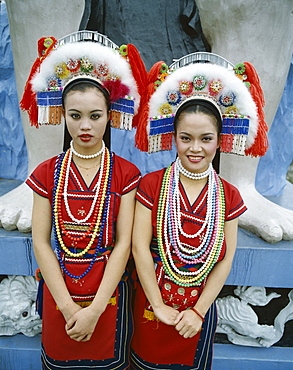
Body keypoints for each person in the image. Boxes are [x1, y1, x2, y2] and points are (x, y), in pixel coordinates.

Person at [130, 60, 254, 368]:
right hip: (150, 304)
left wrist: (199, 311)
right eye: (186, 138)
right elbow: (138, 247)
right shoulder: (152, 185)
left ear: (219, 139)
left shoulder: (228, 195)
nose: (195, 148)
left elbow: (226, 258)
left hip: (199, 308)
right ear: (173, 137)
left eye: (206, 138)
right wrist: (157, 305)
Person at [25, 39, 141, 369]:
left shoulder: (126, 174)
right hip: (59, 290)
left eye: (95, 115)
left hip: (108, 292)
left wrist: (95, 309)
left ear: (110, 115)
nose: (85, 126)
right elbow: (40, 241)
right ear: (62, 114)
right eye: (75, 116)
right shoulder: (47, 173)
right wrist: (68, 307)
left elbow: (124, 244)